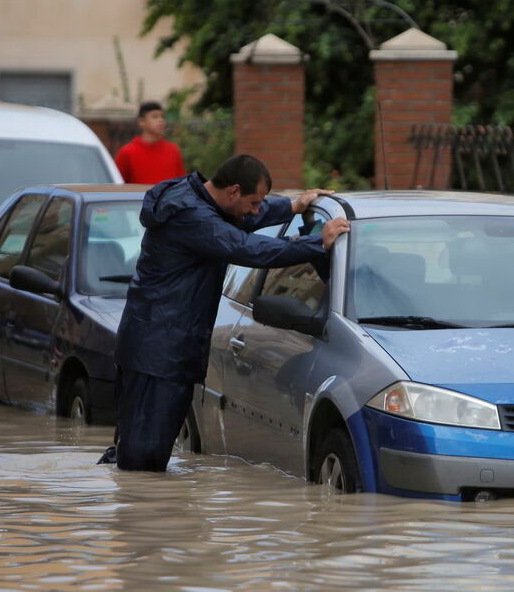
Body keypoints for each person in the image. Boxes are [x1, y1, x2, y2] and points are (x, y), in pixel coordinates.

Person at [101, 154, 349, 471]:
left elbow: (238, 220)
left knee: (137, 453)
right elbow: (245, 247)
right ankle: (132, 502)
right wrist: (316, 244)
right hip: (159, 355)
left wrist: (291, 207)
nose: (256, 210)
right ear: (233, 191)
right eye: (254, 202)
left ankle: (125, 496)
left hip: (157, 349)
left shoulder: (195, 201)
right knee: (143, 458)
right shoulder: (193, 218)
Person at [114, 101, 186, 184]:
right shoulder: (127, 152)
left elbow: (181, 183)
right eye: (155, 117)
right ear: (141, 122)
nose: (160, 120)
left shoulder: (173, 150)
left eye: (162, 116)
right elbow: (117, 184)